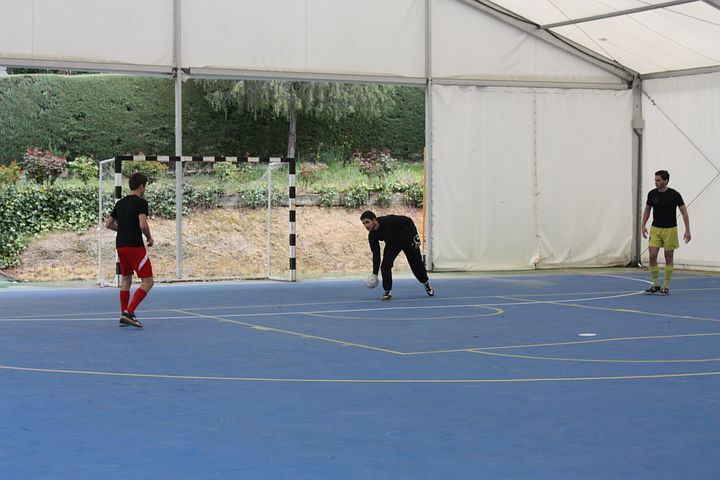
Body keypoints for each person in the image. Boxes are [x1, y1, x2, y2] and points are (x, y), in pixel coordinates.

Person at [105, 172, 155, 327]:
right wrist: (149, 237)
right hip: (135, 246)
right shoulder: (141, 202)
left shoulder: (120, 203)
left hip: (120, 245)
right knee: (148, 281)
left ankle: (123, 316)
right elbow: (142, 224)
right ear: (141, 186)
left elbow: (108, 224)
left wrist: (123, 229)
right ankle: (129, 312)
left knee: (126, 280)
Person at [360, 210, 434, 301]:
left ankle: (426, 284)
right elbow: (376, 254)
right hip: (393, 244)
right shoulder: (372, 235)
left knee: (416, 266)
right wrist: (375, 273)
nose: (366, 226)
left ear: (374, 220)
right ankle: (387, 291)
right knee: (385, 266)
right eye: (364, 224)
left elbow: (408, 220)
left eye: (367, 222)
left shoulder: (388, 220)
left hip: (408, 240)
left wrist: (416, 237)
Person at [641, 169, 691, 295]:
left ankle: (666, 285)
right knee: (652, 256)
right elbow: (647, 210)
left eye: (658, 180)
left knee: (669, 257)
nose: (656, 182)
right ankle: (656, 284)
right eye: (655, 180)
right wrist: (643, 225)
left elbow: (684, 211)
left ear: (666, 181)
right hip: (655, 229)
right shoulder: (652, 194)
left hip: (670, 230)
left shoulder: (674, 195)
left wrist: (687, 230)